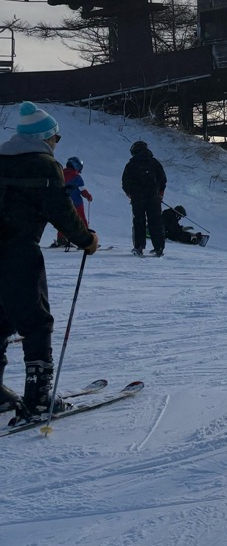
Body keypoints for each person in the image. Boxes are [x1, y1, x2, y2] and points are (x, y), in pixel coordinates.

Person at [0, 103, 99, 417]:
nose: (57, 142)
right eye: (56, 136)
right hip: (18, 250)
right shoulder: (43, 163)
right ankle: (39, 398)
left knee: (0, 320)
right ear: (45, 137)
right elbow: (61, 212)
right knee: (36, 322)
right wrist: (86, 239)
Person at [121, 139, 167, 257]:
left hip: (138, 199)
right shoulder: (154, 162)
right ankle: (159, 247)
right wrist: (160, 193)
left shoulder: (131, 164)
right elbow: (163, 179)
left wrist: (130, 193)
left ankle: (139, 247)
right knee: (156, 222)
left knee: (138, 222)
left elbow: (125, 182)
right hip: (154, 198)